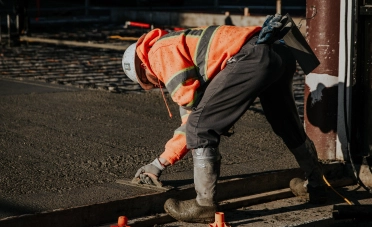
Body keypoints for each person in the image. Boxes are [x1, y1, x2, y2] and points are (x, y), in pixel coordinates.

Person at [122, 14, 327, 224]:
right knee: (286, 123)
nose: (157, 85)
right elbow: (195, 109)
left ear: (143, 67)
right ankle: (316, 183)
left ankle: (204, 205)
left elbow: (194, 121)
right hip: (279, 51)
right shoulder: (178, 45)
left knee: (200, 128)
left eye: (149, 82)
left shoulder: (159, 54)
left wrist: (158, 164)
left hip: (252, 55)